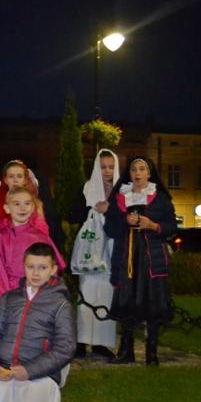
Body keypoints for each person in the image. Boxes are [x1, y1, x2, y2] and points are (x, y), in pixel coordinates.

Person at [0, 243, 76, 402]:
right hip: (7, 371)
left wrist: (30, 370)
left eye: (42, 268)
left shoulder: (61, 304)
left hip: (40, 374)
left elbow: (66, 347)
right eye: (30, 267)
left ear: (53, 270)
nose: (36, 273)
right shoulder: (10, 298)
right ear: (23, 267)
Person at [104, 156, 176, 366]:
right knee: (127, 303)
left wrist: (153, 226)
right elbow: (109, 229)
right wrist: (124, 221)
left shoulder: (161, 199)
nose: (137, 173)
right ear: (129, 173)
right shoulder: (119, 198)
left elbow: (172, 227)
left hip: (151, 261)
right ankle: (126, 351)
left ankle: (151, 353)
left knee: (153, 306)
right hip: (126, 260)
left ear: (149, 173)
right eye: (134, 169)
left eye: (142, 169)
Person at [69, 149, 120, 359]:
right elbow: (73, 214)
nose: (107, 171)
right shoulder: (87, 188)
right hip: (90, 251)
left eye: (111, 167)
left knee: (107, 296)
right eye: (103, 167)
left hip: (112, 250)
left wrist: (110, 210)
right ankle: (81, 341)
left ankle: (101, 343)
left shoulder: (122, 191)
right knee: (86, 295)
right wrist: (91, 209)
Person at [0, 186, 65, 304]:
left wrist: (48, 298)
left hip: (39, 297)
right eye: (17, 204)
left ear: (33, 208)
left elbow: (51, 270)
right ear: (7, 208)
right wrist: (4, 303)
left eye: (27, 203)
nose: (23, 208)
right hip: (11, 298)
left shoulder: (42, 237)